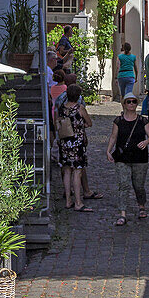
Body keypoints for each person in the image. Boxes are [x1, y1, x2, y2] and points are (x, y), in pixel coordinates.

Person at [106, 93, 149, 226]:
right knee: (123, 184)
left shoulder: (143, 121)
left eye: (134, 102)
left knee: (138, 186)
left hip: (140, 158)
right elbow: (113, 137)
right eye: (129, 102)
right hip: (122, 157)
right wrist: (108, 151)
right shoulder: (118, 121)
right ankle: (123, 214)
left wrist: (146, 142)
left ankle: (141, 206)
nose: (131, 104)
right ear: (124, 104)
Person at [56, 84, 94, 213]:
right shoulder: (79, 108)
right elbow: (89, 123)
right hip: (77, 143)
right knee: (77, 171)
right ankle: (78, 202)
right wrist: (79, 125)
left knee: (67, 171)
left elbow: (58, 123)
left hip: (64, 142)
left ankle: (68, 200)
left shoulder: (61, 108)